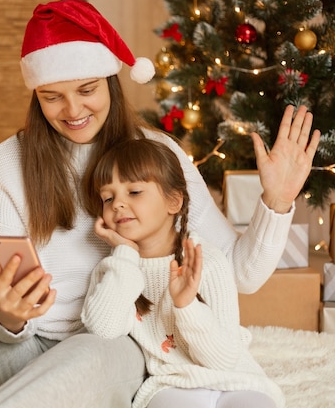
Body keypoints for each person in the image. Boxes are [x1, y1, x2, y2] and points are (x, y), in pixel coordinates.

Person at [0, 0, 319, 408]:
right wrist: (8, 315)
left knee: (92, 348)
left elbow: (238, 272)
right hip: (22, 349)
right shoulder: (7, 164)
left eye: (87, 89)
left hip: (107, 346)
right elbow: (2, 310)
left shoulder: (156, 154)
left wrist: (276, 202)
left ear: (110, 80)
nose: (72, 109)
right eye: (51, 96)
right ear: (35, 94)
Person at [81, 138, 284, 408]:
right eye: (108, 198)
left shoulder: (205, 261)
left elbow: (223, 359)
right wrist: (126, 253)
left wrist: (186, 306)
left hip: (234, 379)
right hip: (171, 385)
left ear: (173, 201)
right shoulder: (116, 270)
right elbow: (103, 329)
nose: (117, 204)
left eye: (134, 192)